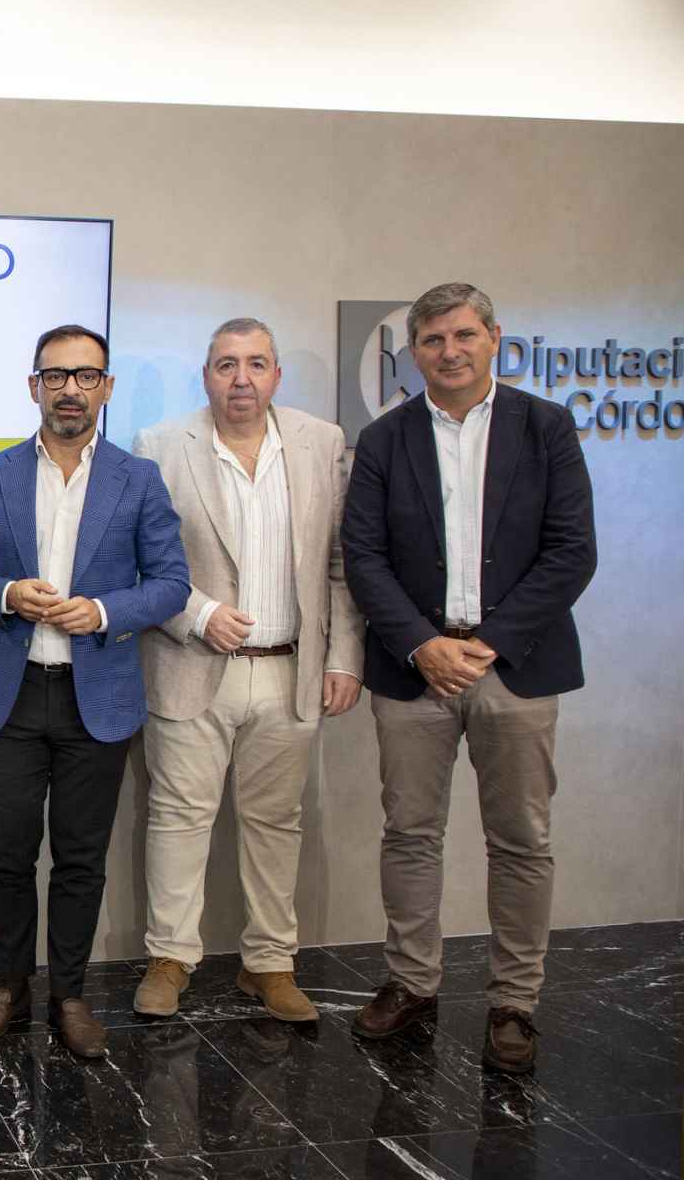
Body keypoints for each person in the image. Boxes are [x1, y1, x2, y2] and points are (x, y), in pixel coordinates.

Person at [341, 282, 596, 1073]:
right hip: (413, 670)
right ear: (412, 353)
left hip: (514, 669)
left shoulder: (545, 427)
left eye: (462, 336)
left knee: (521, 840)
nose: (448, 352)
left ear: (494, 338)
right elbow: (364, 557)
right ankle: (412, 983)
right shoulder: (385, 439)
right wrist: (421, 644)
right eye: (431, 341)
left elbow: (571, 550)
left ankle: (514, 1002)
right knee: (410, 833)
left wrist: (487, 644)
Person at [0, 324, 190, 1058]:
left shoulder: (137, 479)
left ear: (106, 388)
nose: (70, 389)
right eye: (55, 376)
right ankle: (10, 987)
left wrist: (105, 612)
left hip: (96, 697)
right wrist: (9, 592)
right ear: (34, 386)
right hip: (7, 698)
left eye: (85, 376)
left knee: (82, 857)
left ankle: (70, 996)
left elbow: (171, 583)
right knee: (7, 853)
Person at [130, 318, 364, 1023]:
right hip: (192, 662)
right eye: (226, 364)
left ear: (276, 375)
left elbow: (341, 564)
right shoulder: (162, 447)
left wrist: (345, 656)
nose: (241, 379)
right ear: (206, 375)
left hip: (293, 670)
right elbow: (140, 562)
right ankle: (170, 959)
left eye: (256, 363)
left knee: (276, 822)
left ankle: (270, 964)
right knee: (177, 818)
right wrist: (197, 613)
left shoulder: (322, 444)